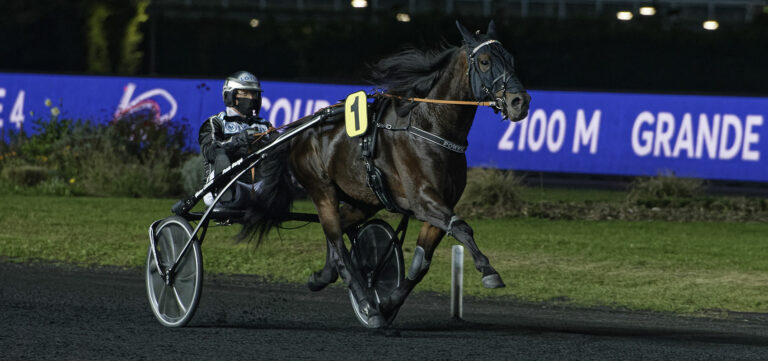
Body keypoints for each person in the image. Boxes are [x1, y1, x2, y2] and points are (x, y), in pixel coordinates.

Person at [198, 71, 273, 209]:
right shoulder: (215, 123)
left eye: (254, 94)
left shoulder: (264, 124)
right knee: (221, 157)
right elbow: (210, 151)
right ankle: (226, 193)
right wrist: (241, 139)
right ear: (230, 95)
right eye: (244, 93)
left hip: (259, 186)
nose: (251, 98)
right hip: (224, 186)